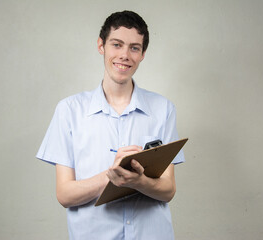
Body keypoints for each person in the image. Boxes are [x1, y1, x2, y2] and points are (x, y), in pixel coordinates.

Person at [36, 10, 185, 240]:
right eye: (117, 44)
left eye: (134, 48)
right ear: (101, 46)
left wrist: (140, 182)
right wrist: (111, 175)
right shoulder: (69, 110)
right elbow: (64, 194)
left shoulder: (163, 109)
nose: (125, 55)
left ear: (143, 54)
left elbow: (168, 190)